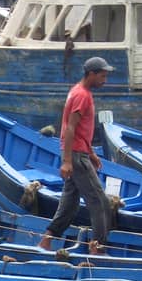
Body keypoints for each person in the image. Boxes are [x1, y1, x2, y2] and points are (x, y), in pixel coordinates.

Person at [37, 56, 115, 254]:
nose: (104, 80)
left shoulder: (78, 91)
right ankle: (97, 247)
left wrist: (92, 153)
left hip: (80, 152)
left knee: (70, 201)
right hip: (76, 156)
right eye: (102, 76)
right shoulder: (82, 95)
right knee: (99, 202)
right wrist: (67, 161)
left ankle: (47, 239)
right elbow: (70, 128)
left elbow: (79, 130)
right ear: (91, 74)